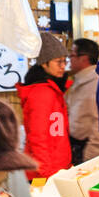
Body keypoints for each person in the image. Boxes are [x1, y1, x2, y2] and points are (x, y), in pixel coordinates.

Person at [16, 33, 72, 180]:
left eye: (64, 61)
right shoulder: (42, 93)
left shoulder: (54, 89)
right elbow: (38, 137)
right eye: (58, 62)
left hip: (56, 170)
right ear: (44, 63)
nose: (63, 66)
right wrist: (46, 173)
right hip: (44, 174)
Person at [65, 38, 99, 165]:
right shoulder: (79, 80)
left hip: (86, 151)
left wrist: (89, 159)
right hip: (74, 147)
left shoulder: (95, 83)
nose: (69, 59)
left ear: (84, 58)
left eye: (72, 55)